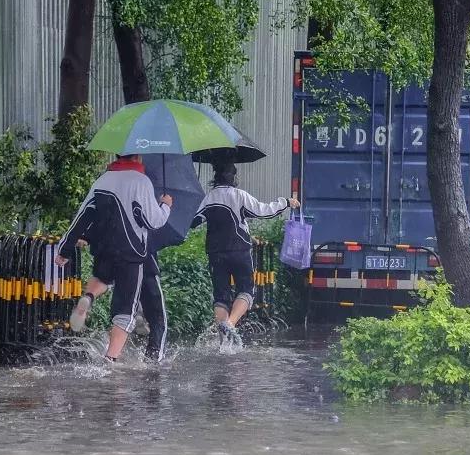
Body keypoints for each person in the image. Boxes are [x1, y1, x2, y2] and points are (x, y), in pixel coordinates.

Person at [55, 154, 172, 363]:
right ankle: (110, 359)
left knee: (103, 278)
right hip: (131, 254)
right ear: (138, 156)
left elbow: (82, 216)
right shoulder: (141, 181)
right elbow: (152, 221)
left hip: (104, 249)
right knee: (126, 309)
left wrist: (64, 250)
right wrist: (165, 205)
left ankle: (88, 297)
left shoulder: (103, 180)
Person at [191, 158, 299, 343]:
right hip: (239, 250)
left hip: (216, 252)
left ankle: (223, 342)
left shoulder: (208, 198)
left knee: (221, 296)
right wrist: (286, 202)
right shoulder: (239, 195)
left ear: (215, 176)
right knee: (246, 290)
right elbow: (264, 211)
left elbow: (194, 221)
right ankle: (230, 323)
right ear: (233, 177)